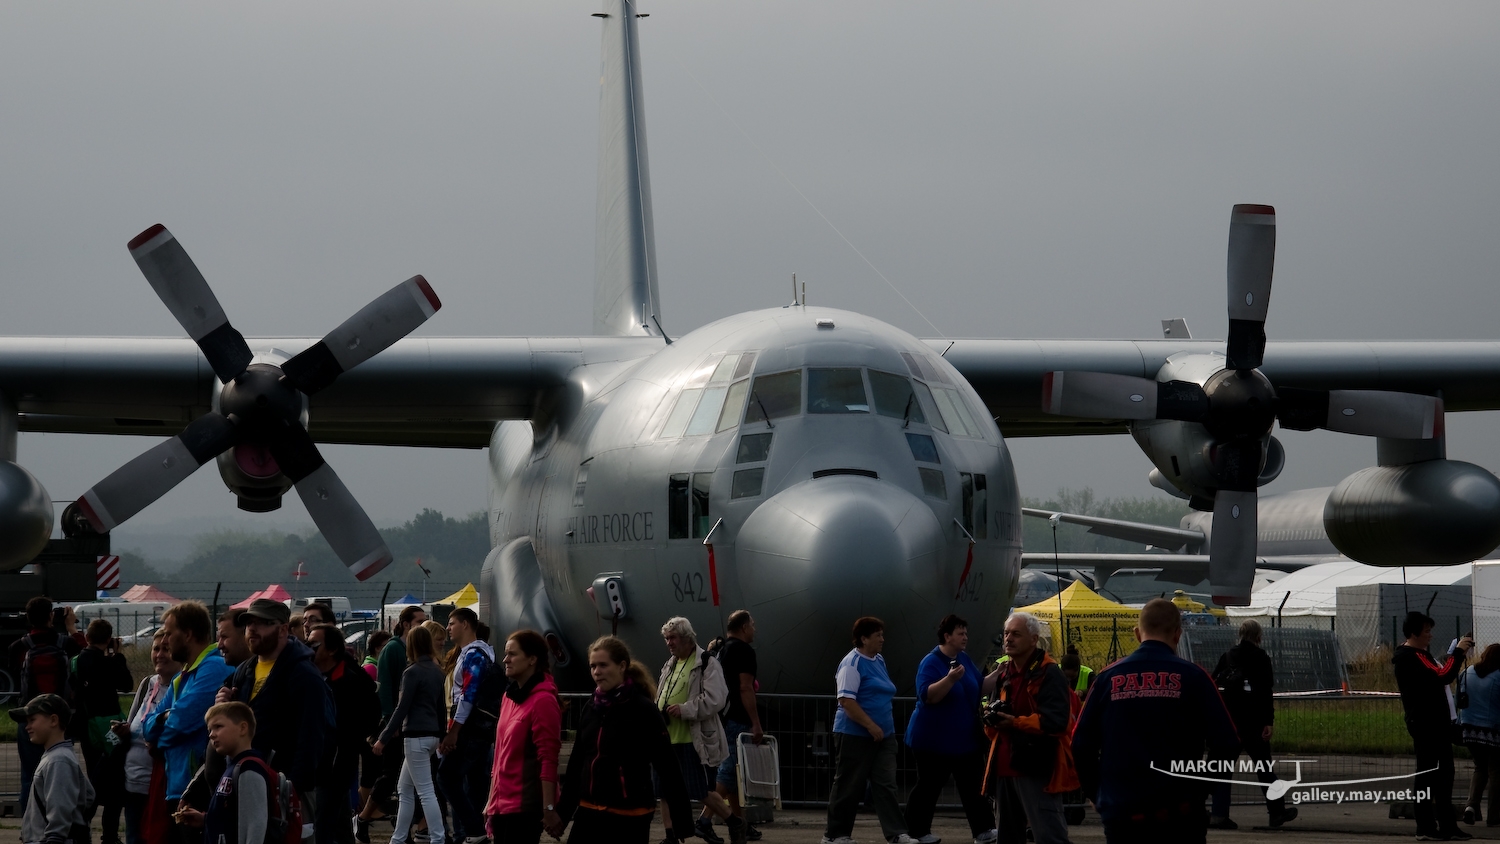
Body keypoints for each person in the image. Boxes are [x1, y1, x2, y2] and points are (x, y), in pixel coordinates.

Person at [1072, 599, 1238, 844]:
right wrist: (1200, 789)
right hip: (1179, 813)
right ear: (1178, 634)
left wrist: (1096, 792)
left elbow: (1080, 744)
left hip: (1123, 813)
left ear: (1138, 633)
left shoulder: (1108, 678)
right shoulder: (1194, 677)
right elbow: (1227, 743)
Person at [550, 636, 693, 844]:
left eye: (603, 665)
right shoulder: (591, 707)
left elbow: (668, 767)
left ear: (622, 666)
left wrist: (682, 822)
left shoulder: (643, 710)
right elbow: (578, 764)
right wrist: (563, 813)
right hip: (589, 812)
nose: (597, 671)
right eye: (593, 666)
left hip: (630, 815)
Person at [218, 598, 334, 808]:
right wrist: (223, 706)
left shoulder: (303, 675)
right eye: (249, 623)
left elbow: (311, 738)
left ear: (282, 630)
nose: (252, 629)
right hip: (245, 779)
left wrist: (292, 791)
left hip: (283, 788)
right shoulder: (244, 670)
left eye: (261, 623)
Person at [145, 600, 235, 844]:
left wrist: (161, 736)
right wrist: (162, 723)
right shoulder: (181, 676)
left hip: (199, 788)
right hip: (177, 787)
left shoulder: (213, 668)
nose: (166, 640)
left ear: (187, 634)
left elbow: (180, 723)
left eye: (170, 633)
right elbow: (148, 726)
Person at [982, 613, 1076, 844]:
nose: (1008, 639)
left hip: (1037, 768)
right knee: (1007, 837)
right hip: (1004, 768)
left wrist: (1014, 722)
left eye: (1016, 634)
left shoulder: (1049, 672)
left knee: (1049, 836)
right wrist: (990, 719)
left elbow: (1057, 722)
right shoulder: (1004, 671)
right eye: (1006, 633)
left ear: (1034, 639)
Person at [904, 614, 996, 844]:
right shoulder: (931, 662)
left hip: (963, 740)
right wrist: (949, 679)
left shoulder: (963, 658)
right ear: (947, 636)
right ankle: (917, 831)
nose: (965, 637)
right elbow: (927, 695)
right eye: (960, 633)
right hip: (933, 741)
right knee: (929, 786)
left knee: (973, 786)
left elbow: (979, 687)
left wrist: (1000, 673)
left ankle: (984, 831)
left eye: (965, 633)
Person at [823, 617, 914, 844]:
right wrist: (870, 725)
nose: (883, 639)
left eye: (882, 634)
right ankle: (835, 834)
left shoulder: (879, 659)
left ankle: (896, 833)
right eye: (878, 635)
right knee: (848, 785)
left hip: (883, 735)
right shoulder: (851, 664)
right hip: (855, 734)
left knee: (886, 785)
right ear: (864, 639)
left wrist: (881, 728)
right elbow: (846, 700)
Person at [654, 617, 743, 844]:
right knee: (664, 789)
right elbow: (661, 694)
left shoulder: (706, 662)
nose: (669, 643)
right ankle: (670, 835)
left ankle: (734, 822)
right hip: (668, 738)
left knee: (701, 790)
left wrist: (685, 710)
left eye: (672, 638)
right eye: (666, 639)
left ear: (686, 638)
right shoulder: (670, 664)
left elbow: (716, 699)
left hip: (692, 739)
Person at [1394, 610, 1475, 841]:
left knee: (1443, 775)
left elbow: (1440, 673)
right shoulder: (1413, 656)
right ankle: (1427, 827)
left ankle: (1446, 825)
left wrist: (1455, 654)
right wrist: (1459, 652)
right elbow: (1443, 675)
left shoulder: (1421, 655)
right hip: (1427, 725)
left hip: (1436, 724)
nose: (1430, 635)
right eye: (1427, 631)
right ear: (1414, 633)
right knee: (1430, 776)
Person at [1208, 619, 1294, 829]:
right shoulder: (1261, 657)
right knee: (1264, 767)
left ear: (1239, 633)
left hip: (1229, 721)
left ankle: (1219, 814)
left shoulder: (1227, 656)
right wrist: (1268, 721)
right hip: (1254, 721)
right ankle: (1276, 812)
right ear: (1258, 636)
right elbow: (1265, 691)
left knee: (1222, 767)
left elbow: (1213, 682)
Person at [483, 629, 562, 844]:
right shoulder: (509, 697)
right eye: (505, 654)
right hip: (501, 806)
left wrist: (548, 808)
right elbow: (500, 754)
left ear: (532, 659)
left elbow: (548, 759)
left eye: (512, 654)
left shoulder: (543, 701)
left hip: (523, 808)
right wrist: (491, 800)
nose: (505, 659)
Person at [373, 624, 447, 844]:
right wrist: (442, 735)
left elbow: (401, 708)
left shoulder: (412, 672)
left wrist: (382, 739)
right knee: (405, 788)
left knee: (424, 791)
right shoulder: (436, 671)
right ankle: (398, 838)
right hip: (432, 735)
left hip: (415, 736)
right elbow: (441, 707)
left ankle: (438, 838)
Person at [10, 596, 85, 808]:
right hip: (59, 718)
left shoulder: (20, 646)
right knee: (61, 773)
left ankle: (29, 828)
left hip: (30, 717)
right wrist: (71, 627)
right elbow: (86, 654)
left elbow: (15, 667)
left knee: (29, 777)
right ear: (52, 616)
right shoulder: (66, 643)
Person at [309, 623, 380, 844]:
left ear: (331, 650)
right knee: (338, 821)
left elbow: (371, 715)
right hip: (321, 762)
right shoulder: (314, 676)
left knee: (321, 823)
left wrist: (346, 742)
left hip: (335, 763)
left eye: (314, 644)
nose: (308, 647)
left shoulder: (350, 681)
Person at [358, 606, 427, 833]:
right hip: (396, 723)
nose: (422, 625)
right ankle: (363, 818)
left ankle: (404, 824)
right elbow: (386, 686)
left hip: (411, 723)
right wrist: (390, 721)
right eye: (419, 621)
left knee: (405, 777)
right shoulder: (394, 649)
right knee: (391, 774)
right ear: (406, 624)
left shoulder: (413, 648)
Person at [435, 608, 494, 843]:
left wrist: (454, 732)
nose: (448, 628)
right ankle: (471, 834)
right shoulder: (472, 653)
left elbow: (468, 695)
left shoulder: (474, 654)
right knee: (475, 785)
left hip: (470, 728)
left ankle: (474, 830)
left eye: (452, 623)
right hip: (477, 729)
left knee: (446, 777)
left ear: (466, 624)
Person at [74, 619, 132, 844]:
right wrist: (117, 656)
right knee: (114, 784)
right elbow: (126, 684)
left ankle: (81, 828)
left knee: (95, 779)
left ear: (87, 637)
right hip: (111, 727)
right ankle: (109, 834)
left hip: (87, 727)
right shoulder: (108, 662)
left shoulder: (77, 661)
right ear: (108, 639)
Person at [119, 631, 180, 844]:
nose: (159, 654)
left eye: (167, 649)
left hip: (163, 789)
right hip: (133, 784)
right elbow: (133, 723)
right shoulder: (147, 683)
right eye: (156, 649)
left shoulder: (184, 686)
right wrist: (124, 731)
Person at [709, 610, 764, 843]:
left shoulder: (721, 650)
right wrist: (756, 722)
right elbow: (745, 687)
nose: (754, 629)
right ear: (743, 627)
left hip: (720, 716)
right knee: (728, 771)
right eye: (752, 624)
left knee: (731, 773)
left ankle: (739, 824)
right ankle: (704, 818)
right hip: (737, 719)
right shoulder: (744, 651)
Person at [184, 702, 270, 844]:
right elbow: (232, 816)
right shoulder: (232, 767)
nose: (211, 735)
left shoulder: (249, 768)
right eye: (209, 730)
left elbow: (256, 825)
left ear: (243, 728)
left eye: (218, 727)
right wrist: (206, 819)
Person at [13, 694, 94, 844]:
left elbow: (59, 809)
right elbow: (89, 795)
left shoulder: (58, 760)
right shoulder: (59, 756)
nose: (27, 727)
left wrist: (55, 837)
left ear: (53, 720)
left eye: (32, 720)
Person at [1461, 644, 1500, 827]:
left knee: (1479, 768)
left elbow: (1458, 699)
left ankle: (1471, 806)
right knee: (1496, 772)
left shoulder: (1467, 672)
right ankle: (1494, 816)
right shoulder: (1499, 675)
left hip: (1469, 729)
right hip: (1493, 730)